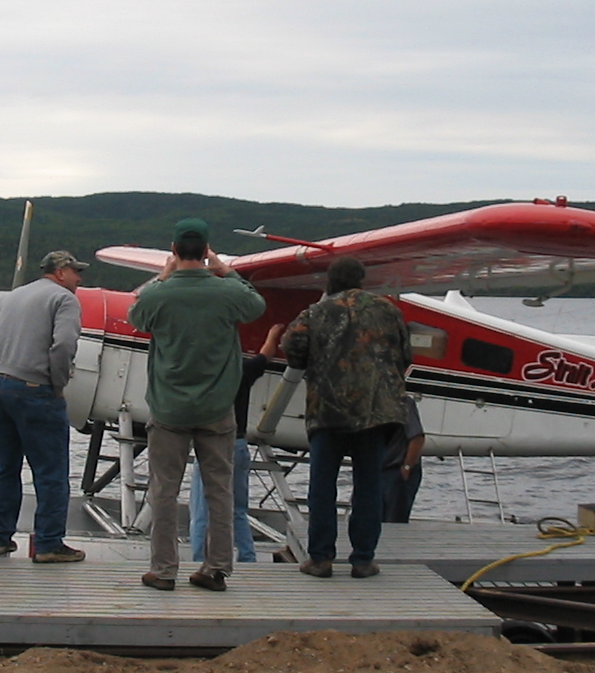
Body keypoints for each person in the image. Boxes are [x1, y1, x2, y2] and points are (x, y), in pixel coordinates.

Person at [127, 218, 266, 591]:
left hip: (169, 409)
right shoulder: (227, 292)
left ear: (174, 251)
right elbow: (256, 305)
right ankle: (217, 567)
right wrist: (227, 270)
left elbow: (135, 313)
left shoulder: (159, 294)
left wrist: (161, 276)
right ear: (206, 251)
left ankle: (164, 569)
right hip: (218, 409)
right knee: (220, 490)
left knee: (164, 490)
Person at [281, 256, 410, 579]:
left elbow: (292, 348)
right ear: (361, 280)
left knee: (322, 486)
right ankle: (363, 560)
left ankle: (321, 558)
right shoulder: (388, 310)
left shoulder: (316, 312)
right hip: (376, 413)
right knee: (368, 485)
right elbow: (406, 355)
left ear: (330, 281)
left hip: (329, 412)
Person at [0, 250, 88, 563]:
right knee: (51, 470)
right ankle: (49, 544)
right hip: (36, 390)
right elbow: (64, 344)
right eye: (76, 272)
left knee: (6, 466)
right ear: (61, 271)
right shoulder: (64, 300)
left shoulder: (11, 298)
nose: (79, 278)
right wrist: (57, 384)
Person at [189, 322, 284, 563]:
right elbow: (265, 355)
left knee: (202, 510)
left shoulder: (204, 374)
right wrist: (273, 332)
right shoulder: (242, 370)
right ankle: (247, 557)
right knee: (238, 509)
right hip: (239, 444)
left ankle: (199, 559)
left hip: (210, 444)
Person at [381, 396, 425, 524]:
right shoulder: (373, 403)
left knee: (393, 522)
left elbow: (417, 438)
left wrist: (406, 468)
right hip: (378, 471)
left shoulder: (404, 403)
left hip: (396, 472)